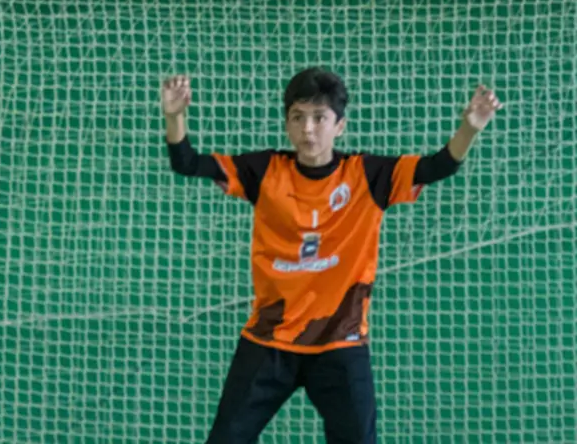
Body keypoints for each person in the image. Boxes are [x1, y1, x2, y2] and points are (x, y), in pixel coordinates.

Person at [160, 68, 502, 444]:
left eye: (319, 118)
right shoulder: (264, 170)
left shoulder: (369, 175)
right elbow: (187, 162)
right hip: (269, 341)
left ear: (339, 125)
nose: (308, 129)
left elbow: (438, 166)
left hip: (341, 343)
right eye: (298, 117)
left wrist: (470, 128)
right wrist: (175, 116)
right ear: (287, 123)